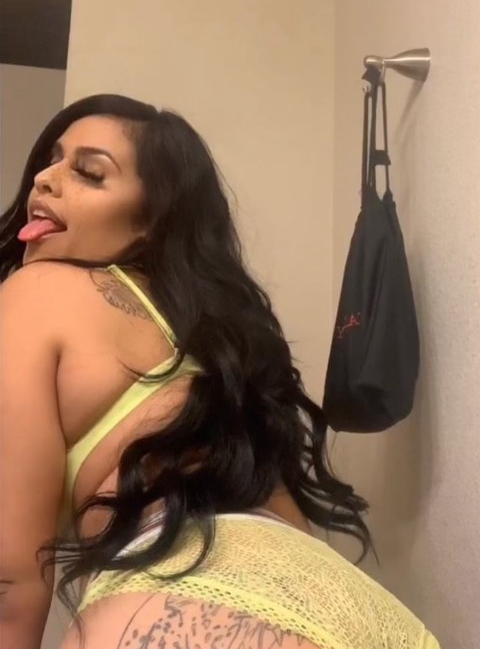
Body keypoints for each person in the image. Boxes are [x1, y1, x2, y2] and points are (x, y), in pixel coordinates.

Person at [0, 94, 439, 649]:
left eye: (89, 173)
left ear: (149, 221)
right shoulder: (213, 339)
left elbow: (11, 580)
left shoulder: (34, 293)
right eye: (52, 160)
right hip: (357, 609)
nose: (44, 179)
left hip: (186, 612)